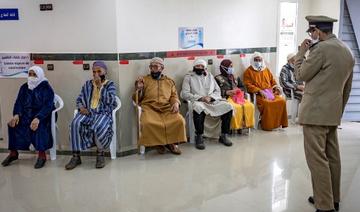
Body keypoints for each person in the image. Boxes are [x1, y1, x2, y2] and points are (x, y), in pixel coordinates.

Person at [295, 15, 354, 212]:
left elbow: (300, 76)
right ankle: (332, 199)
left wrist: (301, 52)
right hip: (332, 113)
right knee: (332, 157)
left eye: (311, 32)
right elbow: (347, 88)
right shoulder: (347, 51)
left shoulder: (320, 49)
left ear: (318, 31)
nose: (311, 36)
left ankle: (324, 205)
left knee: (317, 159)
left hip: (314, 114)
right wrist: (338, 111)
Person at [65, 61, 118, 170]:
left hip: (102, 112)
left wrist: (100, 87)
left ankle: (100, 154)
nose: (96, 74)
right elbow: (79, 99)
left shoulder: (110, 84)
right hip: (88, 112)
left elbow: (112, 101)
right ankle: (76, 156)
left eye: (99, 71)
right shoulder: (87, 84)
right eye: (94, 72)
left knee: (99, 125)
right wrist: (81, 107)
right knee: (75, 123)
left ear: (105, 72)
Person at [1, 66, 55, 169]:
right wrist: (16, 115)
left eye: (34, 74)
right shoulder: (24, 87)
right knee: (12, 124)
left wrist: (38, 118)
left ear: (39, 75)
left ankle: (42, 155)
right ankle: (13, 153)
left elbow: (48, 106)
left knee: (39, 127)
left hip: (42, 116)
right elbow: (18, 103)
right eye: (29, 74)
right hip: (26, 115)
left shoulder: (46, 88)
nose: (31, 77)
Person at [133, 57, 186, 155]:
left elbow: (174, 95)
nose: (153, 69)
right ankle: (159, 144)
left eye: (156, 67)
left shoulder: (169, 81)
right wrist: (138, 89)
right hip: (149, 108)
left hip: (166, 108)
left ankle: (171, 143)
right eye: (151, 67)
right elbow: (136, 99)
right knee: (148, 123)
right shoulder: (144, 80)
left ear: (162, 68)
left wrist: (175, 103)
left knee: (179, 120)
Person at [181, 59, 233, 150]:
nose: (200, 68)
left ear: (205, 68)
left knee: (228, 107)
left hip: (211, 101)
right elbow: (185, 93)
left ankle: (224, 135)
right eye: (198, 66)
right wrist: (201, 98)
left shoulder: (210, 76)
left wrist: (211, 97)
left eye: (202, 66)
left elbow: (217, 91)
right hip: (198, 101)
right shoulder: (189, 77)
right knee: (198, 108)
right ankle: (199, 136)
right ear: (194, 67)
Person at [243, 52, 288, 130]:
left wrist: (276, 87)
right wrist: (258, 90)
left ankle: (278, 123)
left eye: (259, 60)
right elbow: (248, 85)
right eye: (256, 60)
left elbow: (272, 81)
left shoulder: (266, 69)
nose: (258, 62)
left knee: (282, 101)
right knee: (267, 104)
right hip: (258, 95)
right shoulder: (248, 71)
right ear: (253, 60)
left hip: (270, 93)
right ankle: (268, 125)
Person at [215, 59, 255, 131]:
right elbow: (215, 91)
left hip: (238, 97)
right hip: (226, 98)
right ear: (224, 67)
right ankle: (234, 127)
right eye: (230, 66)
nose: (232, 68)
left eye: (232, 66)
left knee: (250, 106)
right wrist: (226, 92)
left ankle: (245, 125)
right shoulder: (217, 78)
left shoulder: (235, 77)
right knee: (236, 107)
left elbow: (243, 87)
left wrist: (238, 90)